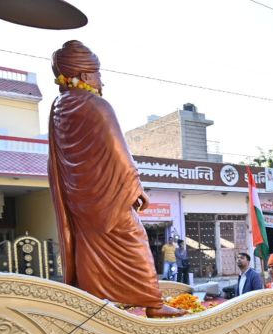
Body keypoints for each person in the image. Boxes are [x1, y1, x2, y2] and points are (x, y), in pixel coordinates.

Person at [46, 40, 184, 318]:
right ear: (85, 76)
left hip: (80, 200)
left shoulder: (58, 106)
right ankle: (153, 303)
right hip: (109, 197)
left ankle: (93, 297)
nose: (101, 82)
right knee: (135, 239)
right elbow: (118, 150)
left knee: (89, 247)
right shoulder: (97, 105)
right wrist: (135, 186)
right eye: (98, 75)